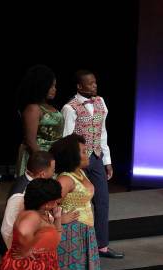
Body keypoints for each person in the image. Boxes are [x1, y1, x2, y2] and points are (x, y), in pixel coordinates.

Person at [62, 70, 123, 259]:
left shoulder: (100, 102)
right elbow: (66, 138)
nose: (94, 86)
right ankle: (76, 245)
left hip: (95, 158)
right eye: (90, 83)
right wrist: (69, 166)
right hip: (77, 162)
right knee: (79, 203)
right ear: (79, 86)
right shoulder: (70, 108)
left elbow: (102, 133)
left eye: (95, 82)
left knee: (102, 200)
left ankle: (101, 246)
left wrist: (107, 161)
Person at [50, 134, 102, 270]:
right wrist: (60, 219)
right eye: (82, 151)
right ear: (72, 156)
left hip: (87, 234)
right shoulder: (65, 179)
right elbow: (46, 205)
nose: (86, 153)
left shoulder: (80, 173)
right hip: (71, 235)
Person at [15, 65, 64, 176]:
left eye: (55, 86)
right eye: (51, 86)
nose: (54, 89)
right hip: (39, 159)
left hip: (53, 156)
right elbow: (30, 141)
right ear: (41, 86)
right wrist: (45, 162)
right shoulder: (33, 108)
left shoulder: (50, 107)